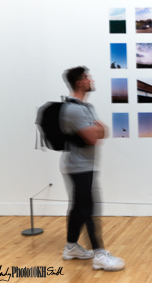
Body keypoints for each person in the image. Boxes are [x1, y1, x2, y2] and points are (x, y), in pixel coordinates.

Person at [60, 66, 125, 271]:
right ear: (80, 82)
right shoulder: (72, 109)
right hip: (77, 166)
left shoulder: (86, 107)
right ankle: (99, 254)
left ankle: (71, 247)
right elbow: (92, 138)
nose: (90, 79)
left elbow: (103, 133)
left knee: (79, 207)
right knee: (88, 208)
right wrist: (95, 129)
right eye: (87, 77)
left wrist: (96, 130)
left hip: (85, 164)